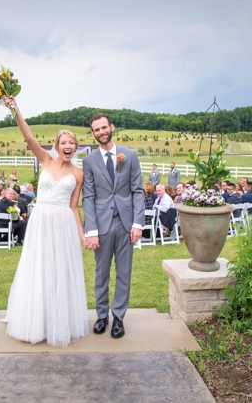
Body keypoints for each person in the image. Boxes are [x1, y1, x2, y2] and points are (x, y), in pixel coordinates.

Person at [0, 95, 89, 347]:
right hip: (41, 221)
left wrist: (82, 234)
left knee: (61, 271)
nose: (68, 145)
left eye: (72, 142)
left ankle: (59, 324)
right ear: (57, 146)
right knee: (39, 267)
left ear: (76, 147)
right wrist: (15, 107)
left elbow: (74, 207)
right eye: (64, 142)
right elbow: (28, 137)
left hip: (64, 224)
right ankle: (36, 321)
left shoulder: (78, 174)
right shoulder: (46, 160)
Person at [83, 113, 144, 339]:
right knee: (101, 273)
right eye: (96, 130)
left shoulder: (129, 155)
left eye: (103, 127)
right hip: (102, 224)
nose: (101, 132)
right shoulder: (89, 161)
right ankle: (101, 316)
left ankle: (118, 317)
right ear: (93, 133)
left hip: (127, 224)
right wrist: (91, 230)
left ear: (112, 127)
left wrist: (138, 223)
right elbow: (88, 196)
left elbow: (137, 190)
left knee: (124, 272)